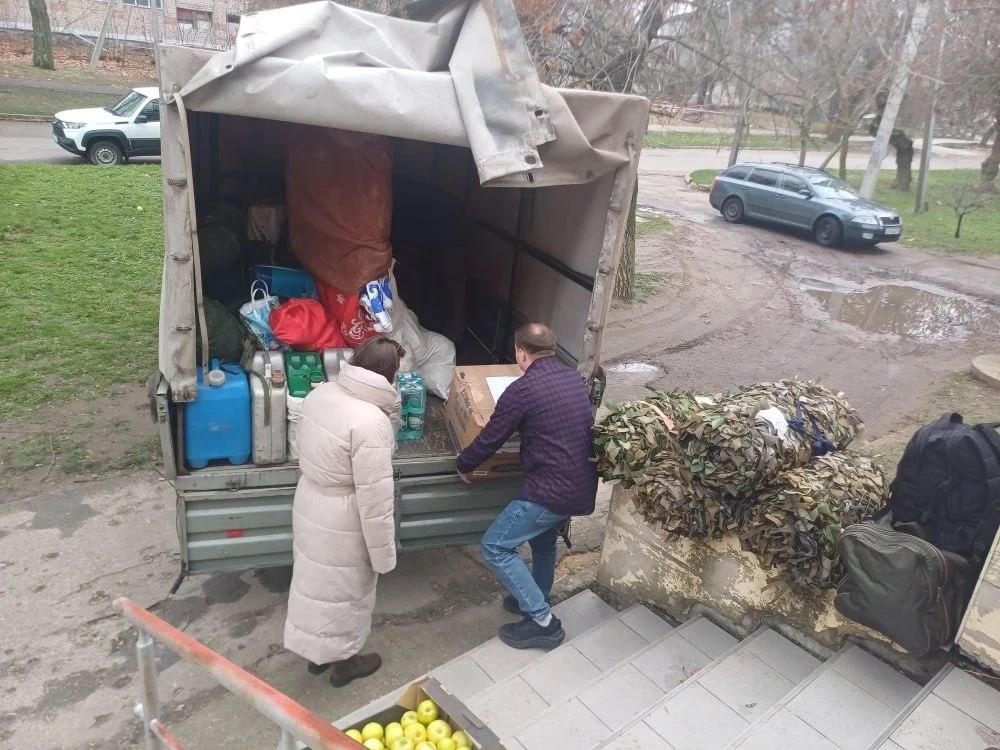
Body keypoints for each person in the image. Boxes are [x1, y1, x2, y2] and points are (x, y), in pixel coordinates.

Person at [457, 322, 598, 650]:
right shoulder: (573, 379)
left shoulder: (522, 389)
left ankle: (543, 623)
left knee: (495, 546)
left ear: (521, 352)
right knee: (543, 543)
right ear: (552, 349)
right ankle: (535, 597)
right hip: (580, 484)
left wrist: (464, 464)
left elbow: (492, 437)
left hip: (550, 491)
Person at [283, 337, 403, 687]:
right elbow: (375, 499)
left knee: (313, 583)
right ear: (388, 374)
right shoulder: (371, 422)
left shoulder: (322, 393)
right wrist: (384, 555)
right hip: (346, 516)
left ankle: (316, 653)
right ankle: (345, 663)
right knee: (344, 591)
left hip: (311, 499)